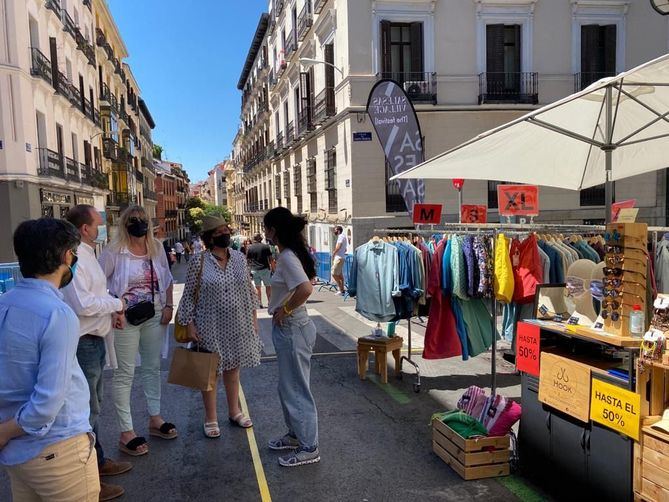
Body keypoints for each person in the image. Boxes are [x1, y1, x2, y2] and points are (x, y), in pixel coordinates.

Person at [0, 218, 100, 501]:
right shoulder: (58, 314)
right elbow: (47, 404)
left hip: (18, 458)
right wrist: (5, 432)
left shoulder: (5, 304)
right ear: (67, 256)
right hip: (59, 452)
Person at [63, 205, 132, 501]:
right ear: (85, 229)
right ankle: (88, 481)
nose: (103, 226)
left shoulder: (88, 254)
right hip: (84, 342)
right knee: (86, 411)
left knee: (94, 406)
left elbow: (98, 295)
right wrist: (116, 307)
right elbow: (83, 304)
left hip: (94, 340)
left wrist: (111, 310)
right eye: (99, 223)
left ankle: (98, 463)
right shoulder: (75, 257)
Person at [99, 205, 177, 457]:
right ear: (124, 223)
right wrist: (114, 310)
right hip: (125, 317)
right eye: (133, 219)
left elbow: (166, 279)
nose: (139, 223)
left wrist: (168, 305)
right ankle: (126, 432)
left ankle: (155, 418)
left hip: (154, 314)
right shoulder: (114, 251)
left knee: (152, 367)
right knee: (124, 373)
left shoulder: (155, 248)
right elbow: (98, 284)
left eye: (143, 219)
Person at [177, 217, 262, 439]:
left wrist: (254, 318)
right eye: (221, 231)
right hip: (209, 324)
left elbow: (248, 290)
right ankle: (211, 417)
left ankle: (234, 411)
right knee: (210, 372)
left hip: (238, 322)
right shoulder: (199, 261)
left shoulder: (239, 258)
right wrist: (189, 324)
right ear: (210, 236)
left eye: (227, 229)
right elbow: (189, 296)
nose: (226, 233)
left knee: (233, 369)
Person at [264, 207, 320, 467]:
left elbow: (305, 288)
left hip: (293, 327)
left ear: (274, 230)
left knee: (296, 389)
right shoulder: (290, 253)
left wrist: (284, 309)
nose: (265, 233)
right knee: (289, 387)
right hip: (292, 327)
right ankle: (296, 435)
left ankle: (309, 447)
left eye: (266, 228)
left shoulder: (287, 257)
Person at [247, 233, 274, 308]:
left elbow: (248, 261)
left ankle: (259, 303)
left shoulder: (250, 248)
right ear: (260, 239)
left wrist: (248, 271)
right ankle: (269, 302)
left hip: (254, 270)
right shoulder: (265, 247)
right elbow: (271, 259)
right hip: (265, 269)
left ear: (254, 239)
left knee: (257, 287)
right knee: (268, 286)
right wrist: (274, 269)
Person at [331, 225, 348, 295]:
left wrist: (333, 253)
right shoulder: (343, 236)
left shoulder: (341, 236)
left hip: (339, 258)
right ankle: (342, 290)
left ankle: (341, 289)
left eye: (335, 230)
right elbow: (345, 248)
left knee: (334, 273)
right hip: (341, 257)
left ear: (338, 231)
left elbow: (339, 246)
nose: (334, 231)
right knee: (340, 275)